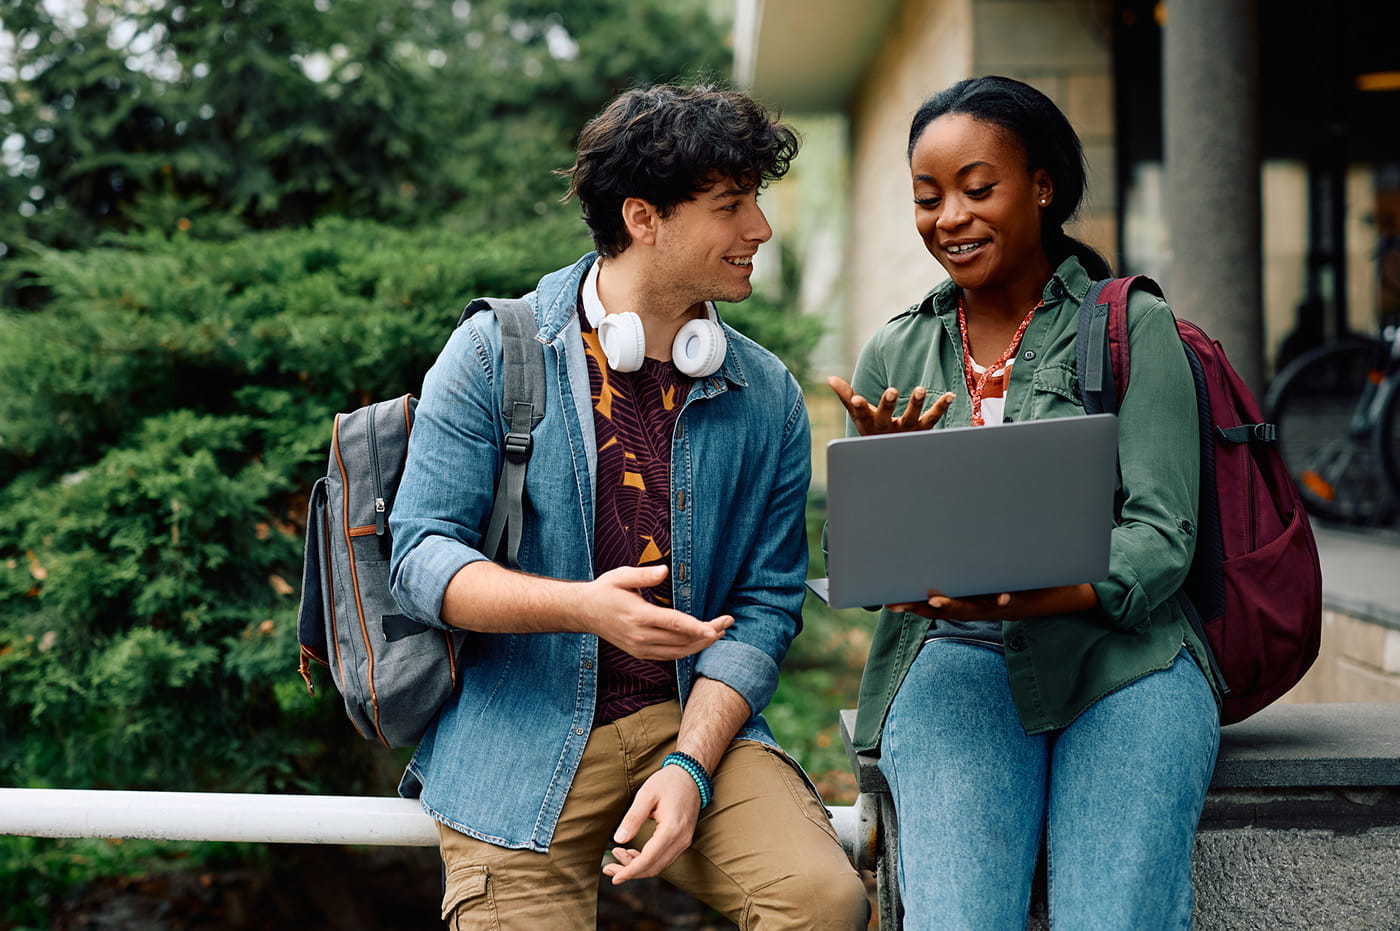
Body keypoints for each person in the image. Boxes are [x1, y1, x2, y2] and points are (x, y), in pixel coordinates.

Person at [389, 83, 869, 930]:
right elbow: (421, 555)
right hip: (516, 739)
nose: (758, 229)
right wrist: (582, 608)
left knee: (824, 903)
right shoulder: (491, 352)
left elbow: (765, 606)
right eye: (731, 205)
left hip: (690, 722)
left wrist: (691, 765)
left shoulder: (768, 396)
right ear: (644, 217)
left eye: (755, 200)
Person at [828, 76, 1222, 929]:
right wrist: (887, 499)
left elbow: (1162, 535)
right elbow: (862, 566)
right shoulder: (896, 350)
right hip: (956, 658)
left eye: (978, 188)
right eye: (928, 198)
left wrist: (1043, 594)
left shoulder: (1131, 325)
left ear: (1041, 186)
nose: (950, 218)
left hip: (1126, 659)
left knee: (1113, 917)